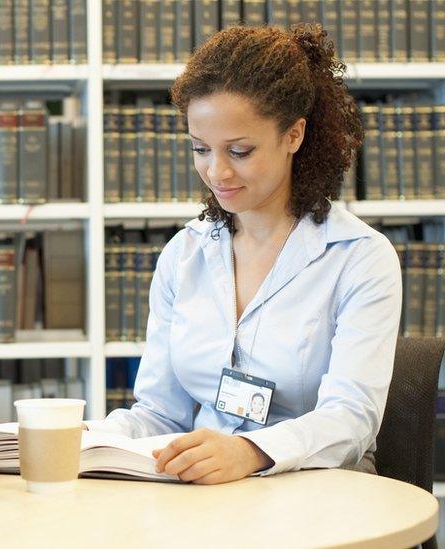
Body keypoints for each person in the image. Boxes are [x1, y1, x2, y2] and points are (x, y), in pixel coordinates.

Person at [86, 23, 402, 484]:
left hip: (322, 489)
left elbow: (351, 419)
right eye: (200, 149)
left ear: (294, 135)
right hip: (210, 493)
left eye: (239, 150)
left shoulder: (359, 258)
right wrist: (94, 440)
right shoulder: (184, 254)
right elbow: (161, 414)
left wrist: (250, 451)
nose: (216, 172)